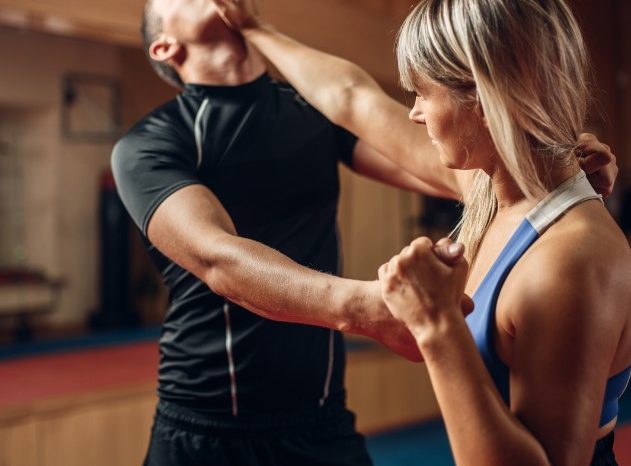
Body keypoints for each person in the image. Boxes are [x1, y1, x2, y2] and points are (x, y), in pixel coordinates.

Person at [210, 0, 629, 465]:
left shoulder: (569, 260)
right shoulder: (492, 191)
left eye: (423, 94)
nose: (414, 113)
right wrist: (254, 27)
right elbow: (351, 98)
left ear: (485, 95)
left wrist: (436, 325)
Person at [112, 1, 483, 465]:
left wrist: (550, 162)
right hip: (206, 428)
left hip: (321, 422)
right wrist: (369, 307)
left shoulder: (311, 109)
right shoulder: (150, 144)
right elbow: (218, 259)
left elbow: (449, 171)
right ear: (165, 46)